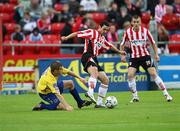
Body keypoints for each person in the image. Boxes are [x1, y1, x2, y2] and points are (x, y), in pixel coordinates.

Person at [61, 21, 126, 108]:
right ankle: (90, 92)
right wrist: (66, 38)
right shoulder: (92, 32)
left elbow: (109, 45)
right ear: (99, 26)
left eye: (107, 30)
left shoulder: (102, 38)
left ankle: (99, 103)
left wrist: (119, 52)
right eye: (104, 29)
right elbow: (77, 33)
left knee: (105, 80)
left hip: (94, 58)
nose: (105, 32)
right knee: (94, 72)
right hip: (87, 55)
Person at [120, 15, 173, 103]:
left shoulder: (145, 31)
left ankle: (166, 94)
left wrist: (156, 55)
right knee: (130, 75)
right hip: (134, 57)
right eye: (134, 22)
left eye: (138, 22)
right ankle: (135, 96)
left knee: (153, 73)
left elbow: (153, 43)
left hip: (145, 56)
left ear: (140, 22)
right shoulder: (128, 32)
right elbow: (121, 44)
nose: (136, 24)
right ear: (132, 23)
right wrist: (122, 55)